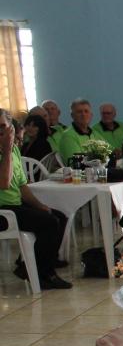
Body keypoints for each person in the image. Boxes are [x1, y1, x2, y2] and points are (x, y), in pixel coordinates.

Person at [0, 108, 71, 289]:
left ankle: (32, 266)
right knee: (49, 223)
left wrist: (40, 205)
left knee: (58, 216)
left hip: (16, 204)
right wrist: (6, 151)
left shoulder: (14, 151)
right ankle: (44, 274)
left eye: (3, 126)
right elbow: (4, 184)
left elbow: (22, 186)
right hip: (3, 210)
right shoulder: (8, 151)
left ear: (10, 128)